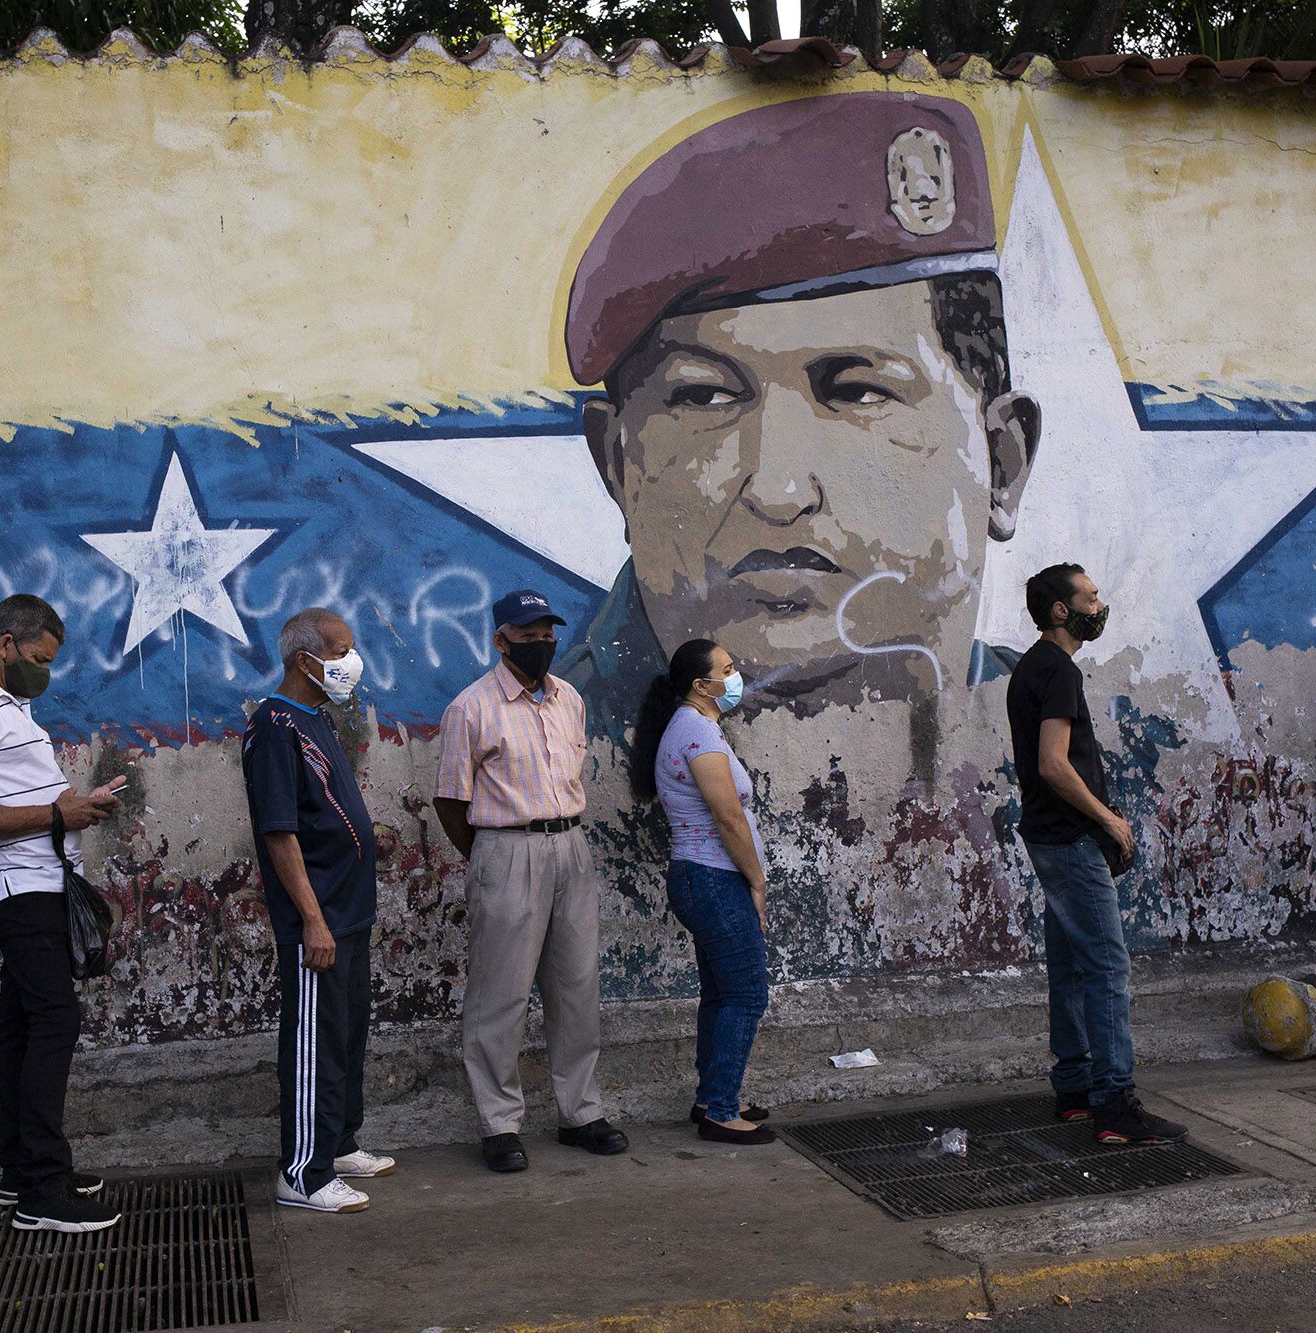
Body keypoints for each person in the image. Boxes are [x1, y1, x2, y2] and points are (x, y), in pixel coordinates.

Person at [560, 92, 1040, 734]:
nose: (779, 491)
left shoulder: (1095, 745)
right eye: (705, 397)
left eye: (859, 392)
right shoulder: (545, 753)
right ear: (618, 466)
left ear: (1002, 463)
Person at [0, 594, 124, 1233]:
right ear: (6, 644)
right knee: (53, 1019)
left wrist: (78, 803)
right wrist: (56, 815)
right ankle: (45, 1188)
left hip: (41, 878)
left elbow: (23, 796)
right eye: (38, 658)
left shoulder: (10, 708)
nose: (44, 672)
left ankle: (21, 1174)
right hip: (19, 884)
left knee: (21, 1022)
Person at [434, 589, 627, 1172]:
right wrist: (491, 857)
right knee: (501, 994)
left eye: (547, 633)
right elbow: (449, 799)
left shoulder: (569, 699)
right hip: (507, 849)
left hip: (570, 846)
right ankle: (499, 1124)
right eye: (528, 634)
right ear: (501, 640)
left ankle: (581, 1113)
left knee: (576, 988)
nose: (541, 643)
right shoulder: (471, 708)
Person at [1006, 564, 1187, 1144]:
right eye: (1091, 596)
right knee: (1107, 967)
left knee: (1070, 965)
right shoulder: (1058, 671)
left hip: (1047, 836)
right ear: (1062, 609)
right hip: (1070, 840)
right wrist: (1109, 819)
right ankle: (1114, 1104)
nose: (1099, 604)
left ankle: (1075, 1088)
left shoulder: (1032, 667)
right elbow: (1053, 763)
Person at [241, 607, 394, 1213]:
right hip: (319, 919)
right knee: (313, 1042)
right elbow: (279, 832)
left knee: (347, 1032)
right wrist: (311, 917)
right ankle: (302, 1172)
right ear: (306, 661)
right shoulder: (275, 728)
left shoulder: (316, 720)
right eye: (341, 651)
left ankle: (339, 1141)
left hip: (349, 911)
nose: (351, 662)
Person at [630, 638, 775, 1145]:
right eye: (728, 669)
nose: (736, 676)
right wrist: (756, 880)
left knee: (721, 992)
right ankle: (720, 1108)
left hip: (701, 877)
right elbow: (729, 817)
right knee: (747, 993)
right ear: (701, 685)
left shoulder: (694, 727)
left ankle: (712, 1095)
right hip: (713, 878)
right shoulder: (697, 732)